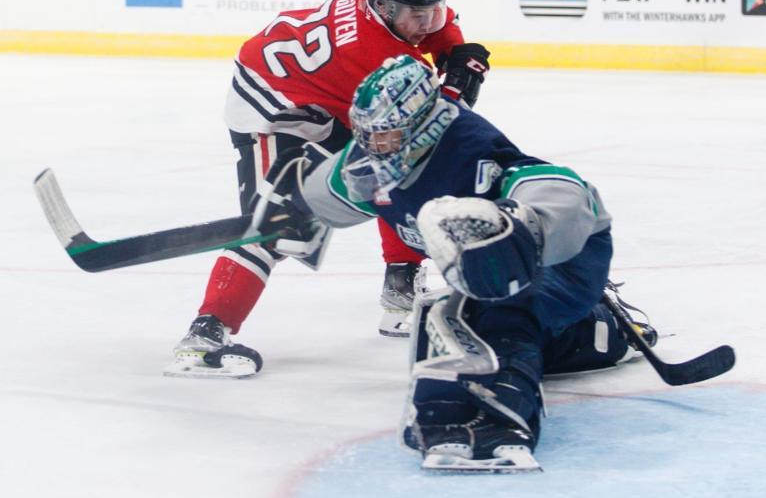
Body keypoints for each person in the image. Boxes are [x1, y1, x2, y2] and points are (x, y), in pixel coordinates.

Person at [242, 56, 658, 470]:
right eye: (367, 134)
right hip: (513, 270)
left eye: (385, 136)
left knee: (471, 315)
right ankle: (595, 333)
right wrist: (293, 213)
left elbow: (564, 191)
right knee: (471, 304)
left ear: (422, 123)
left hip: (567, 255)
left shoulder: (468, 148)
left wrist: (525, 226)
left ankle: (499, 425)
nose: (372, 147)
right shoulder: (372, 159)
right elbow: (325, 196)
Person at [165, 0, 492, 378]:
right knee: (276, 227)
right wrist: (460, 83)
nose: (428, 22)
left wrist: (454, 51)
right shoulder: (370, 49)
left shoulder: (381, 0)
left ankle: (400, 289)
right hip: (272, 106)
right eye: (418, 14)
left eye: (432, 9)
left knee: (397, 168)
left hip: (324, 95)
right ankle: (202, 338)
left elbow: (440, 29)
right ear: (383, 7)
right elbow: (435, 122)